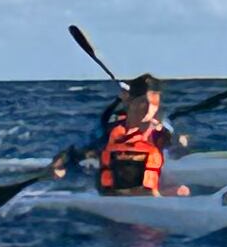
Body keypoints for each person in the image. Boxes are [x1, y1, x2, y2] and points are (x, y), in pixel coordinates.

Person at [48, 75, 194, 196]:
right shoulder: (111, 130)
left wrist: (181, 145)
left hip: (145, 189)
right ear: (130, 102)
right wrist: (57, 165)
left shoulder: (161, 130)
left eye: (155, 104)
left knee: (182, 191)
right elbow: (73, 151)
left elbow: (177, 152)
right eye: (144, 103)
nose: (150, 109)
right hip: (114, 191)